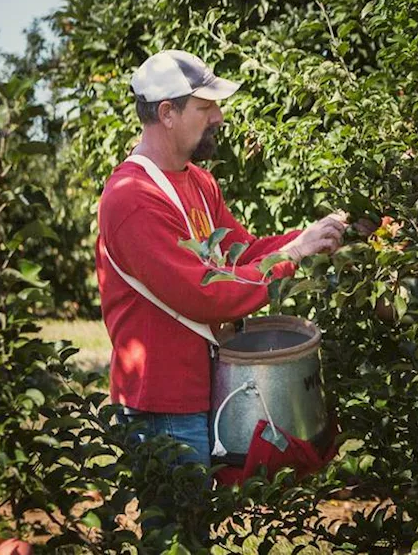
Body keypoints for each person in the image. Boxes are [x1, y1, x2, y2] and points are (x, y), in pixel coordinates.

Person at [94, 50, 363, 539]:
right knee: (178, 540)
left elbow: (239, 253)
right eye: (205, 107)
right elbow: (204, 293)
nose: (218, 117)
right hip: (163, 406)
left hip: (205, 391)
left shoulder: (197, 182)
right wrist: (295, 254)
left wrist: (310, 237)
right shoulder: (132, 198)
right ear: (167, 113)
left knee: (194, 535)